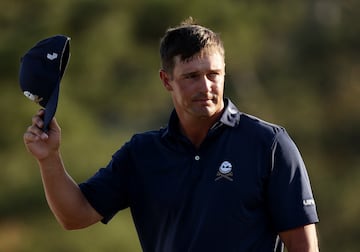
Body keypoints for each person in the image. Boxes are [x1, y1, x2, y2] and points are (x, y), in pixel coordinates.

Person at [24, 17, 319, 251]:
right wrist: (49, 159)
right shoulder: (142, 154)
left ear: (224, 73)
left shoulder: (268, 144)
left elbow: (303, 246)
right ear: (167, 80)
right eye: (191, 77)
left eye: (213, 74)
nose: (206, 87)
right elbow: (75, 215)